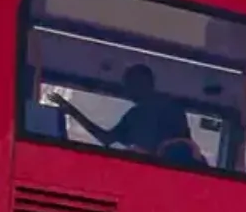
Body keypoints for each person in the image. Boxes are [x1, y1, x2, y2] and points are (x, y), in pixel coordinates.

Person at [50, 64, 193, 158]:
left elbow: (184, 147)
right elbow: (107, 139)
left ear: (145, 83)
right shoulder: (134, 115)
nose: (127, 90)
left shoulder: (170, 109)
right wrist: (72, 111)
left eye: (131, 84)